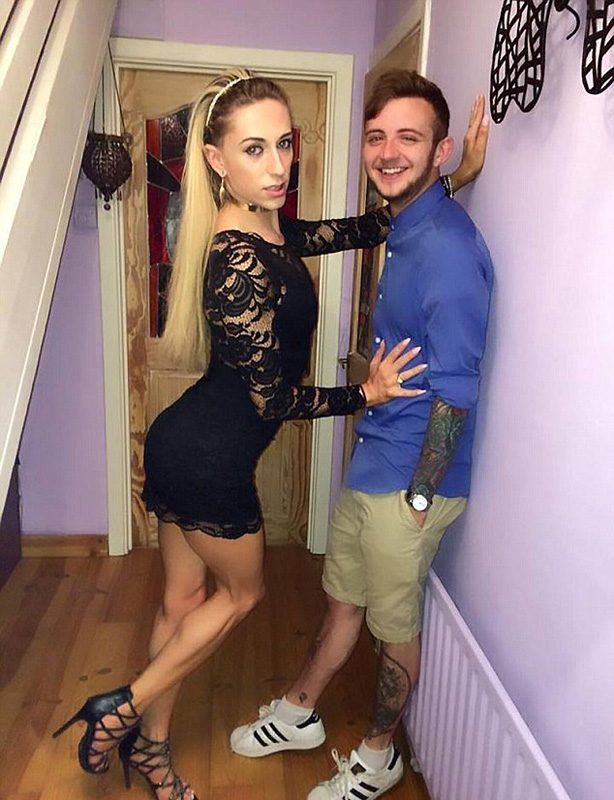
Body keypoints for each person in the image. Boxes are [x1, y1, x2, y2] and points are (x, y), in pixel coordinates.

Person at [52, 67, 487, 800]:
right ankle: (123, 704)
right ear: (217, 160)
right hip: (211, 458)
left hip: (184, 441)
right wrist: (365, 393)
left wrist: (454, 176)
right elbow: (273, 399)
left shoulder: (269, 224)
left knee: (180, 604)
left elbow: (365, 227)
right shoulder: (235, 256)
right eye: (255, 149)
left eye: (285, 144)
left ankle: (152, 753)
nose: (279, 165)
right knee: (242, 597)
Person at [230, 69, 493, 800]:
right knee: (344, 598)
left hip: (410, 478)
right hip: (376, 456)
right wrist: (457, 178)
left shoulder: (447, 250)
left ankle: (380, 756)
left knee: (393, 624)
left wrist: (420, 497)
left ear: (439, 148)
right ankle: (300, 711)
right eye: (377, 137)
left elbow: (457, 391)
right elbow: (385, 216)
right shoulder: (405, 227)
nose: (387, 152)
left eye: (409, 137)